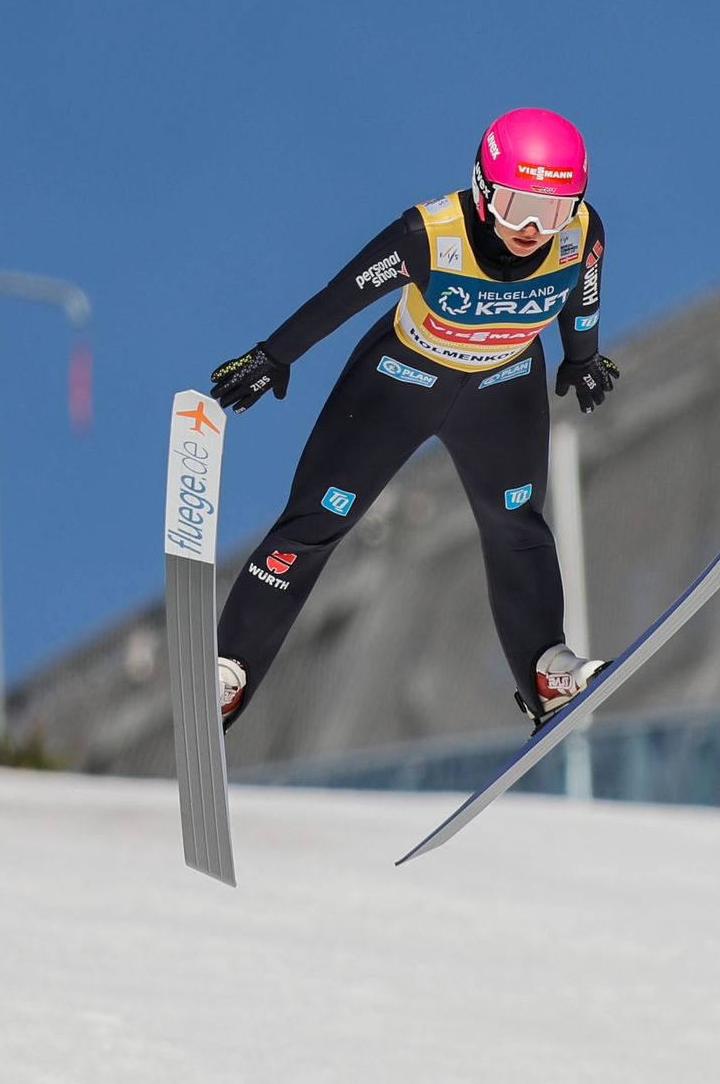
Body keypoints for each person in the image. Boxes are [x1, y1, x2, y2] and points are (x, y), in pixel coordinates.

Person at [209, 107, 619, 733]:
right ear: (483, 188)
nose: (534, 229)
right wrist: (273, 355)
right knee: (315, 524)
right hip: (400, 383)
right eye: (517, 206)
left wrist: (582, 358)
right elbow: (341, 297)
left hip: (501, 390)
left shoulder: (582, 234)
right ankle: (229, 669)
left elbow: (582, 297)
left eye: (554, 209)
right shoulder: (430, 233)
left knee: (517, 526)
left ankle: (545, 670)